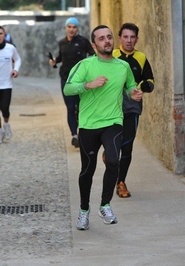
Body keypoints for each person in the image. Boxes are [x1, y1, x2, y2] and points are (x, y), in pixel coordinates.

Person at [64, 25, 143, 230]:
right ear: (94, 44)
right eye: (101, 38)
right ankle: (83, 211)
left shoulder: (122, 66)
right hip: (89, 125)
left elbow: (130, 85)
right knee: (87, 171)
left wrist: (133, 93)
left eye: (109, 37)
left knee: (114, 161)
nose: (107, 41)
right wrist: (87, 85)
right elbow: (68, 88)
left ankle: (105, 205)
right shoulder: (85, 65)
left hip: (113, 122)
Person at [112, 23, 155, 198]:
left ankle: (120, 182)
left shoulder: (141, 58)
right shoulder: (112, 56)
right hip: (111, 108)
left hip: (132, 108)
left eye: (132, 37)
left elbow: (151, 81)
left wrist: (144, 86)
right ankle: (110, 155)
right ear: (120, 38)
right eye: (126, 37)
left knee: (127, 146)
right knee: (113, 145)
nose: (129, 40)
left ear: (136, 39)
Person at [49, 17, 95, 148]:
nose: (71, 29)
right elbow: (60, 57)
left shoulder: (83, 41)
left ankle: (82, 134)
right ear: (65, 28)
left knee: (81, 108)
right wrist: (54, 61)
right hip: (65, 79)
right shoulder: (61, 43)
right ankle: (74, 136)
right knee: (70, 108)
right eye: (69, 27)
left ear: (77, 28)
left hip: (81, 80)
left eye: (74, 27)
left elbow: (92, 55)